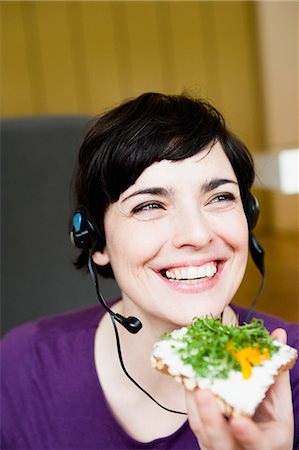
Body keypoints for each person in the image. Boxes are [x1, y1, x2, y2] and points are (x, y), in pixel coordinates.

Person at [1, 92, 298, 450]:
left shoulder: (292, 383)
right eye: (150, 205)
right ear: (95, 240)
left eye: (220, 197)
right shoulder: (23, 366)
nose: (197, 234)